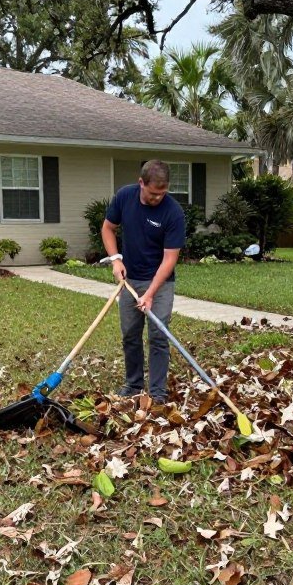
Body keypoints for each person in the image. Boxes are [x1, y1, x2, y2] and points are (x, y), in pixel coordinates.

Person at [101, 160, 186, 403]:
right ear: (141, 183)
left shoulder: (173, 212)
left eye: (163, 193)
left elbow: (170, 259)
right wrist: (116, 260)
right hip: (130, 280)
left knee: (159, 335)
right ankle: (134, 385)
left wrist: (150, 293)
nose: (158, 198)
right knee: (130, 333)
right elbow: (108, 228)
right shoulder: (124, 198)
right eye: (152, 193)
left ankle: (157, 392)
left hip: (160, 283)